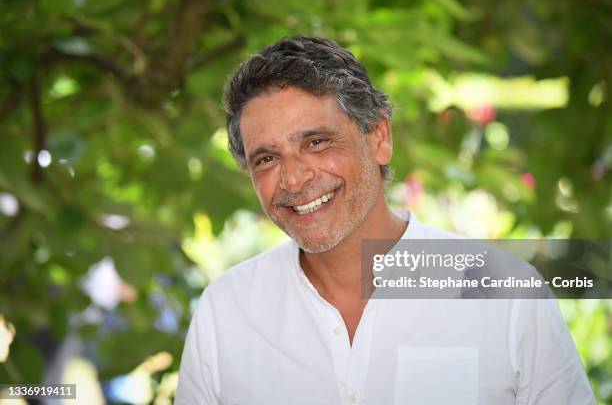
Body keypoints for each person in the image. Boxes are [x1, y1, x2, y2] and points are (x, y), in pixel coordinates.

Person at [174, 36, 594, 404]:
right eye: (266, 159)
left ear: (379, 138)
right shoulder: (227, 309)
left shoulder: (503, 294)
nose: (294, 178)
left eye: (317, 142)